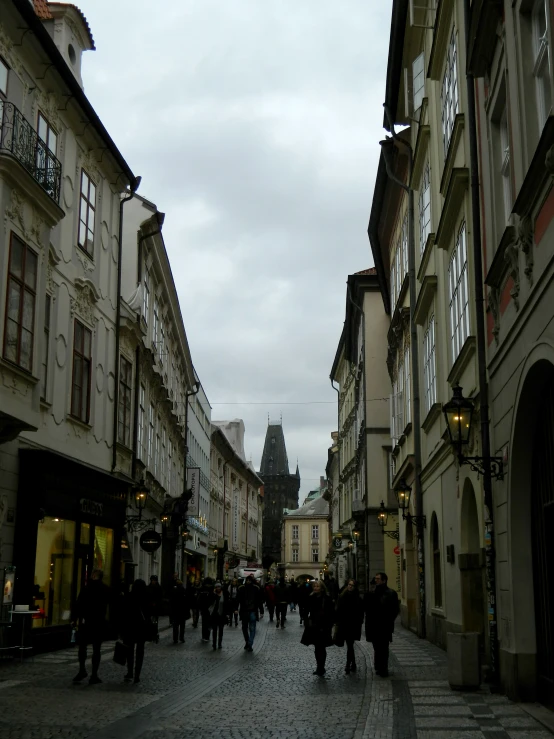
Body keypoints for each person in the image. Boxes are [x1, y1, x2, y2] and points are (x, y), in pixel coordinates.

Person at [72, 568, 111, 685]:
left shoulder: (86, 588)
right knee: (96, 649)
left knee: (82, 647)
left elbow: (78, 604)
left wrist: (74, 619)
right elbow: (110, 603)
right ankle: (94, 674)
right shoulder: (105, 588)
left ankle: (82, 669)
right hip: (99, 622)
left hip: (86, 621)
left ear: (93, 576)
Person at [364, 572, 400, 677]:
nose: (376, 580)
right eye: (375, 579)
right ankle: (378, 666)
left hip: (385, 626)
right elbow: (366, 608)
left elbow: (395, 610)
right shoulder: (372, 593)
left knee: (384, 647)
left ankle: (383, 668)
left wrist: (389, 620)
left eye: (378, 579)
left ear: (384, 580)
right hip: (374, 626)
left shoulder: (391, 593)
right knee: (376, 647)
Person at [300, 580, 335, 676]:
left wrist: (329, 625)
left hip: (323, 626)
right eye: (314, 586)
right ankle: (319, 666)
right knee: (317, 647)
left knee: (321, 647)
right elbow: (306, 610)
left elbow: (331, 613)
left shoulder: (327, 599)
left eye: (317, 586)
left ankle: (321, 667)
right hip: (313, 625)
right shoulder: (311, 597)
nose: (315, 588)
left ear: (322, 588)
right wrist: (306, 619)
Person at [120, 579, 151, 684]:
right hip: (141, 628)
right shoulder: (146, 598)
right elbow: (149, 613)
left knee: (129, 650)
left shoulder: (128, 596)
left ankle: (129, 672)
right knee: (140, 651)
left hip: (129, 627)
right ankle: (137, 674)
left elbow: (123, 613)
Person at [335, 579, 364, 673]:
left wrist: (359, 621)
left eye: (352, 585)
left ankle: (348, 664)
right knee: (349, 645)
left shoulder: (358, 598)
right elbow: (338, 610)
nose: (350, 586)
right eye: (349, 584)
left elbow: (361, 612)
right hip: (344, 624)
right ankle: (353, 663)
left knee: (350, 645)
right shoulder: (342, 596)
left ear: (355, 587)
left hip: (353, 624)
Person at [238, 575, 263, 651]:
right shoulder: (254, 588)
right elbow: (237, 599)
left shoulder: (243, 588)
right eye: (247, 580)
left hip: (250, 611)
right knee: (246, 628)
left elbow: (259, 601)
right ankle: (248, 642)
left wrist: (261, 610)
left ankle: (249, 643)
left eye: (249, 580)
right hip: (248, 611)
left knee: (250, 628)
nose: (248, 582)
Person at [208, 581, 230, 649]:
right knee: (214, 630)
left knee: (221, 630)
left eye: (219, 587)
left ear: (221, 587)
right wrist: (213, 593)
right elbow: (209, 601)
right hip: (214, 614)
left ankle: (219, 643)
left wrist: (227, 614)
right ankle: (214, 644)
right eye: (216, 587)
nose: (218, 588)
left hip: (222, 614)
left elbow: (227, 604)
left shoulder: (224, 594)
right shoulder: (213, 594)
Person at [169, 579, 190, 644]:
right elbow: (187, 602)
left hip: (175, 611)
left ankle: (175, 639)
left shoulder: (174, 590)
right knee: (182, 626)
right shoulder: (184, 590)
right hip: (182, 611)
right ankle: (181, 638)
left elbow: (171, 601)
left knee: (175, 626)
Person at [146, 575, 163, 642]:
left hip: (156, 608)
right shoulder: (148, 587)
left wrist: (156, 603)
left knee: (155, 622)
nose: (153, 581)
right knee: (150, 621)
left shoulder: (159, 588)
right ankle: (150, 634)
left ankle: (155, 634)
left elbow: (160, 597)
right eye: (152, 580)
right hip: (149, 608)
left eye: (154, 580)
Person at [197, 577, 214, 643]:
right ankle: (206, 636)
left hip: (204, 608)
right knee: (208, 622)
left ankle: (204, 636)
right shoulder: (211, 589)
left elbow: (199, 599)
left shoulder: (202, 589)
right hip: (208, 609)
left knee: (204, 623)